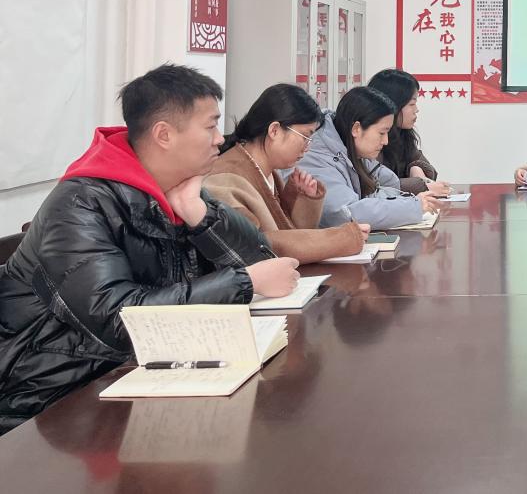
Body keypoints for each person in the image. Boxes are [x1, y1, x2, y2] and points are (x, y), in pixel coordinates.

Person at [0, 64, 299, 435]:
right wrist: (243, 284)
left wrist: (200, 215)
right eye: (210, 126)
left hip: (136, 373)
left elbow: (263, 262)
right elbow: (118, 318)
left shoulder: (180, 188)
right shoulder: (79, 204)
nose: (219, 140)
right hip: (48, 398)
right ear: (164, 135)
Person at [205, 83, 368, 263]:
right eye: (306, 137)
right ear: (274, 130)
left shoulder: (267, 170)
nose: (307, 148)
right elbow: (259, 245)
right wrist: (345, 237)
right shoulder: (226, 178)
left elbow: (288, 235)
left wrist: (300, 200)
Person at [297, 86, 440, 230]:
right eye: (381, 133)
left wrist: (410, 203)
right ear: (356, 129)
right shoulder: (316, 157)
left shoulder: (352, 148)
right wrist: (412, 207)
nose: (386, 141)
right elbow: (348, 213)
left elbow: (387, 184)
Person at [367, 68, 450, 196]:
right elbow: (374, 184)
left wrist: (416, 168)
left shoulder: (402, 133)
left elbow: (426, 168)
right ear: (393, 104)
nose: (416, 110)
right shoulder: (370, 137)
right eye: (412, 104)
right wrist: (420, 185)